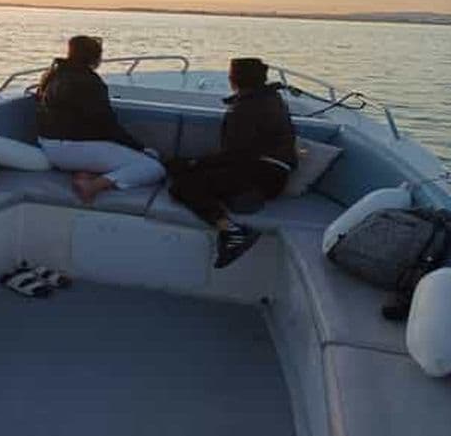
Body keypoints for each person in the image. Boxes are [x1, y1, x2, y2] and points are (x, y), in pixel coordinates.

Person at [167, 57, 297, 268]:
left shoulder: (244, 110)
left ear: (234, 79)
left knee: (182, 185)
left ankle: (232, 231)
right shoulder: (271, 100)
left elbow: (236, 154)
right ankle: (236, 199)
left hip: (262, 176)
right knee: (183, 170)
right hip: (271, 173)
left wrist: (194, 163)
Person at [36, 35, 166, 203]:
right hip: (71, 149)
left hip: (48, 146)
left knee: (118, 154)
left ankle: (85, 173)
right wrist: (140, 149)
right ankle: (93, 186)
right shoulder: (90, 83)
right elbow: (108, 126)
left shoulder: (52, 75)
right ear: (95, 58)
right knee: (153, 167)